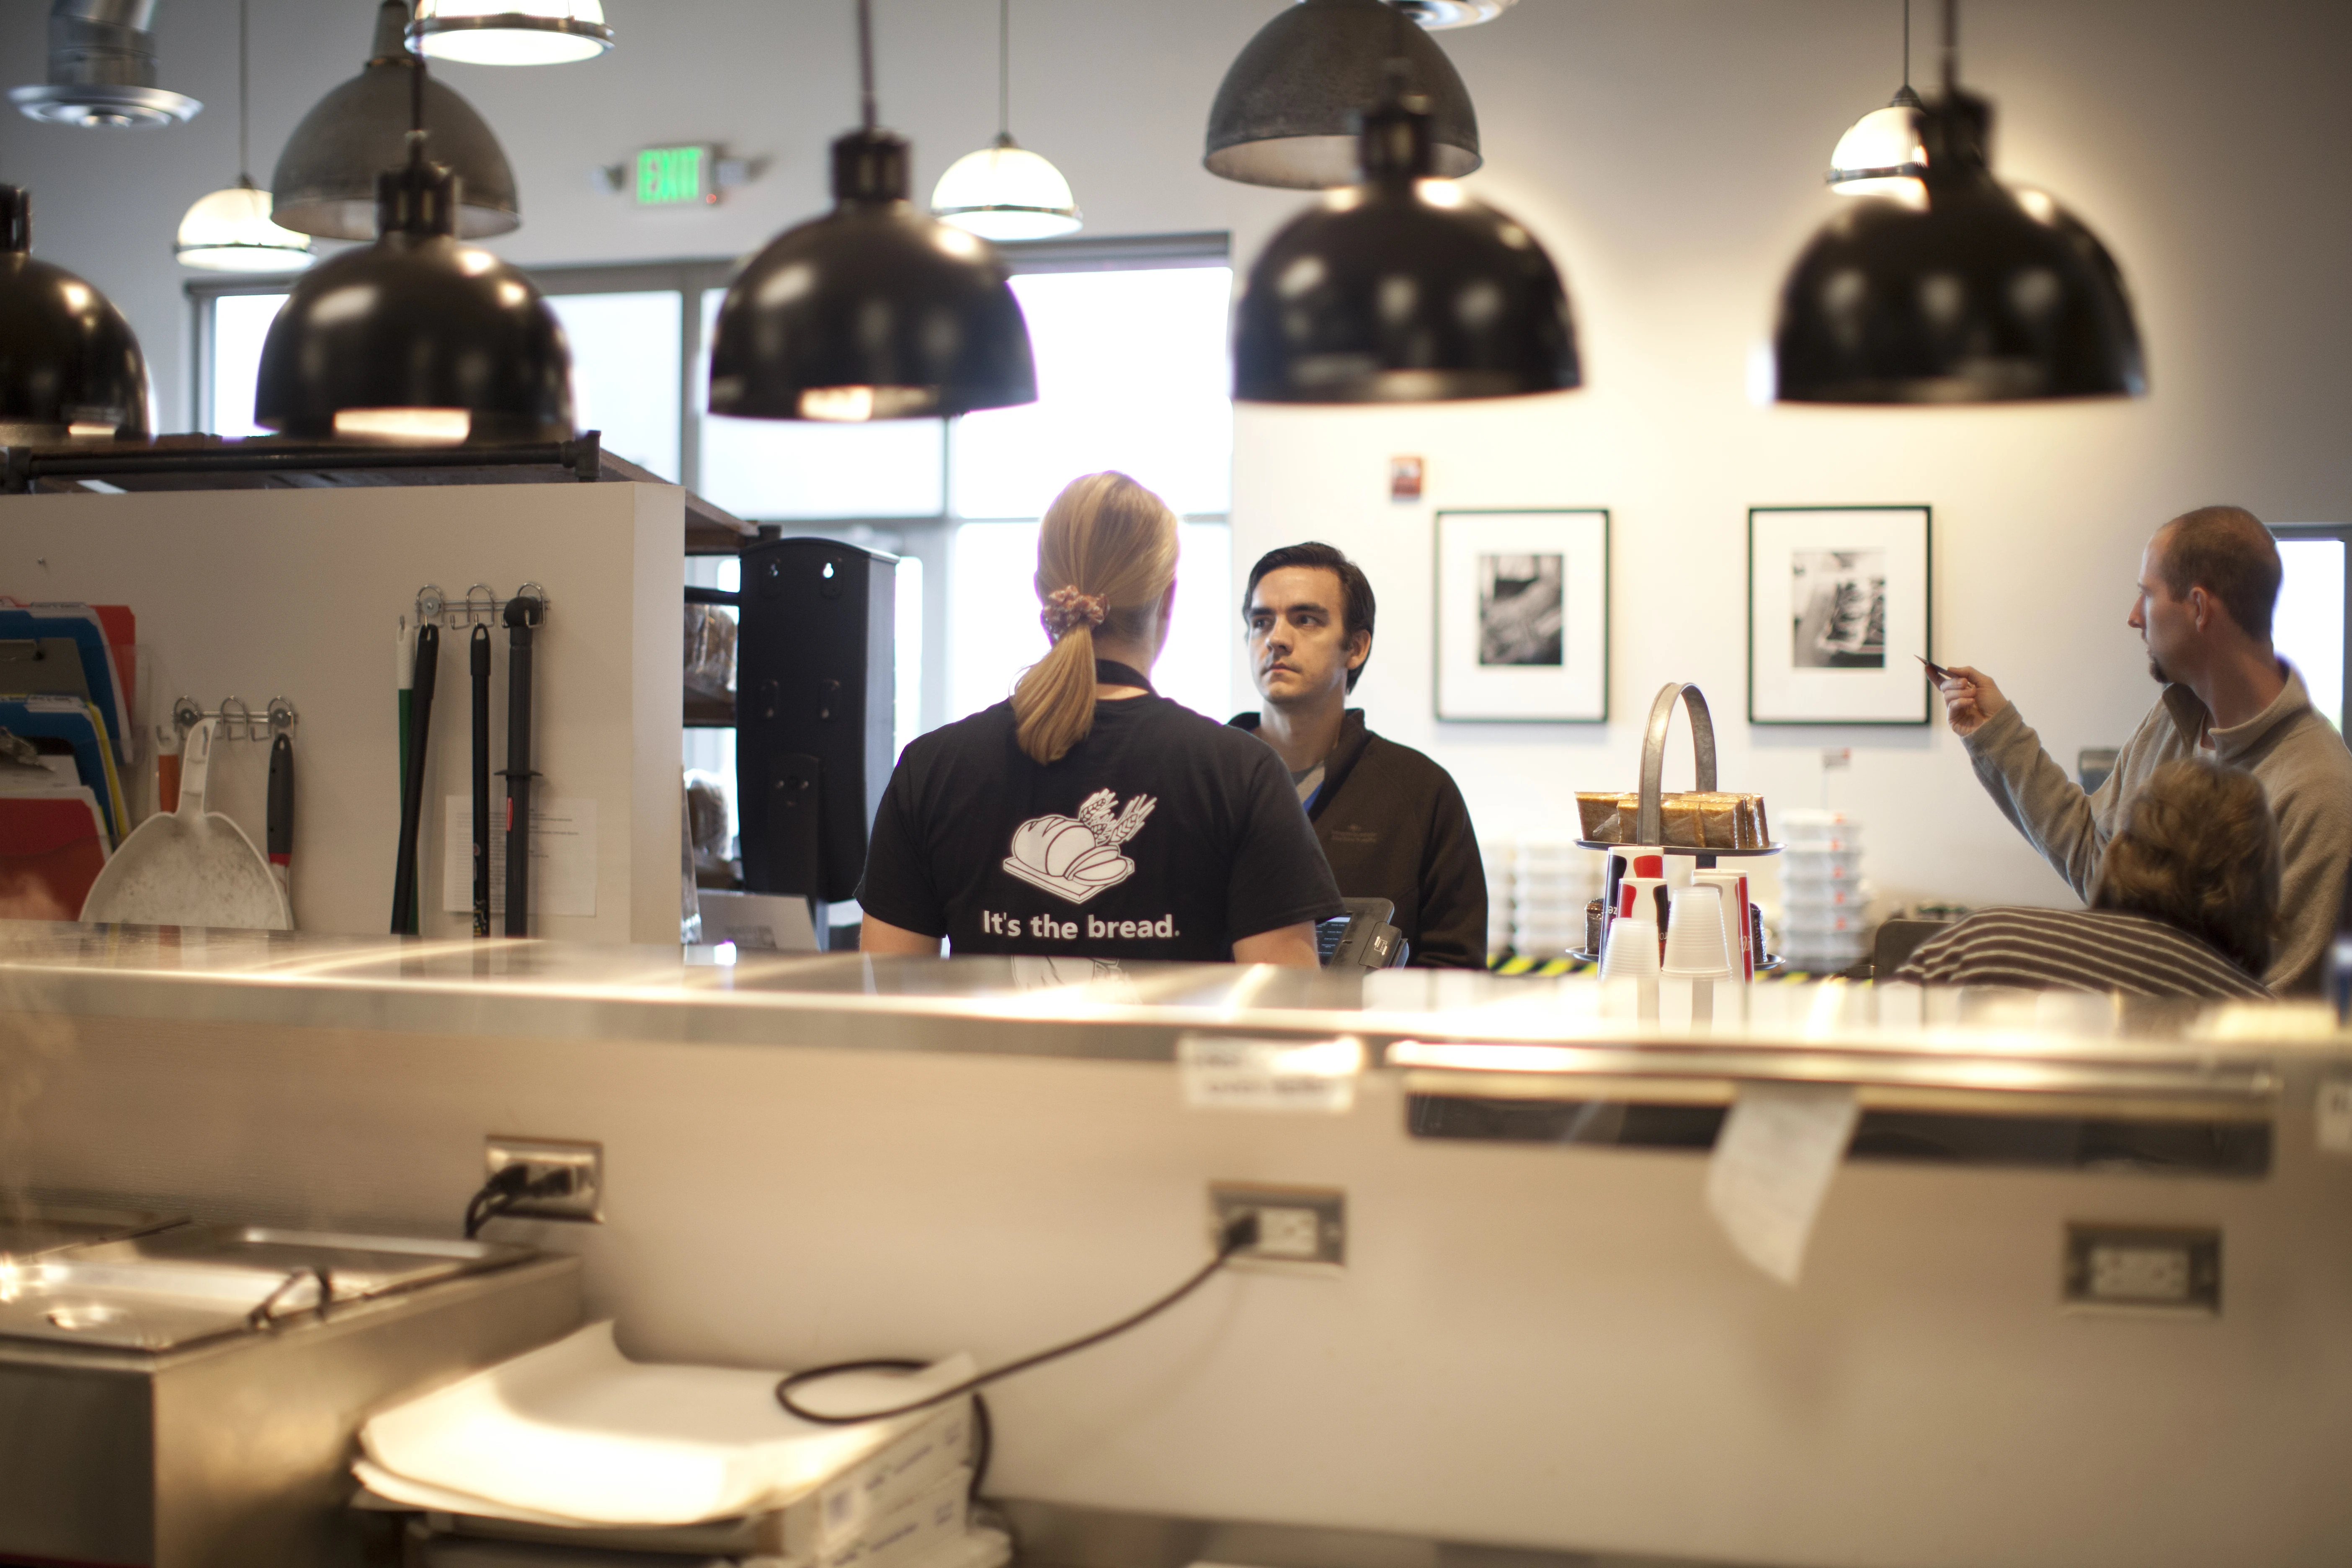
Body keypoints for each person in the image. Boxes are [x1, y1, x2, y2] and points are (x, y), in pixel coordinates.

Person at [856, 473, 1344, 965]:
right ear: (1167, 599)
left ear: (1041, 594)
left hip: (987, 1047)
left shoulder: (933, 769)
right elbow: (1286, 1010)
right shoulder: (1242, 773)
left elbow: (890, 995)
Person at [1939, 505, 2352, 994]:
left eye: (2146, 595)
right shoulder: (2175, 721)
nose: (2134, 617)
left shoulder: (2321, 793)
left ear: (2199, 608)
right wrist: (1996, 733)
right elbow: (2098, 860)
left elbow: (2276, 1018)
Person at [1227, 542, 1488, 968]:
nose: (1276, 639)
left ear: (1356, 647)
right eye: (1261, 621)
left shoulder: (1422, 792)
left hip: (1373, 1033)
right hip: (1218, 1030)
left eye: (1305, 619)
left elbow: (1455, 968)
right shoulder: (1203, 779)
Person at [1896, 758, 2278, 998]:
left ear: (2122, 847)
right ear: (2259, 890)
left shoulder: (1985, 939)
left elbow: (1855, 1061)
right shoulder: (2255, 1022)